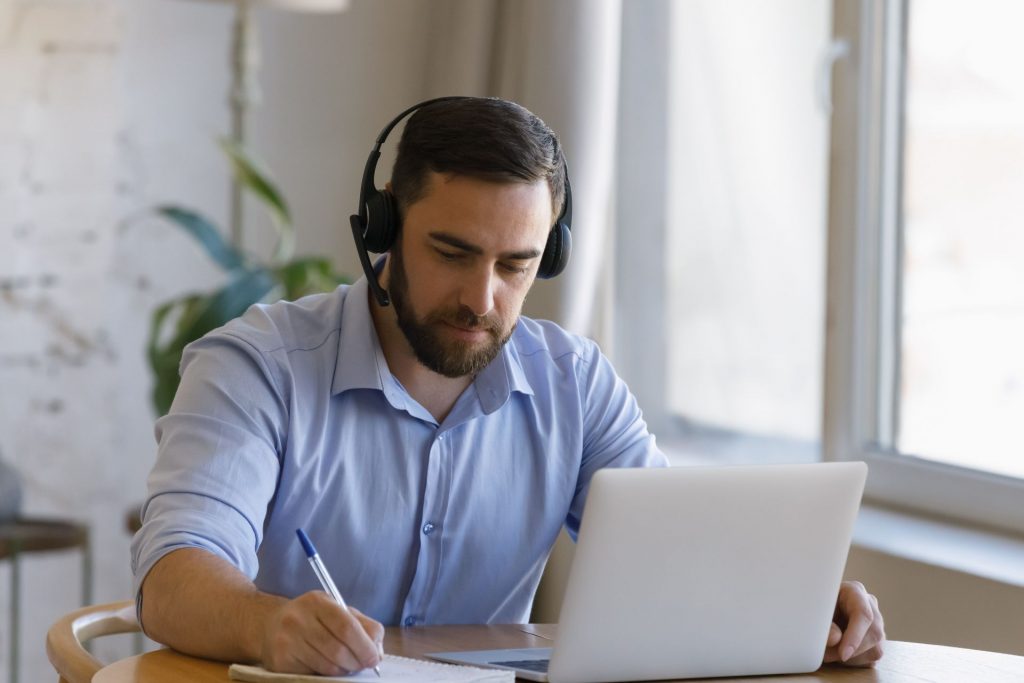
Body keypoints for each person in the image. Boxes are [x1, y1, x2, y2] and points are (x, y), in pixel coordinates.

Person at [131, 97, 885, 677]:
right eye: (453, 252)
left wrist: (803, 603)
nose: (482, 298)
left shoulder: (575, 384)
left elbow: (674, 559)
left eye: (515, 265)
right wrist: (268, 625)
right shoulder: (256, 367)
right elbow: (173, 576)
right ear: (385, 223)